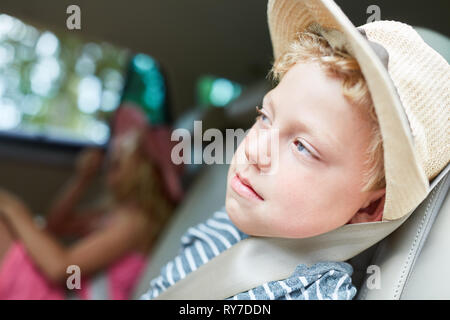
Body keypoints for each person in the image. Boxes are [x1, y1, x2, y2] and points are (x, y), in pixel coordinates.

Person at [141, 0, 449, 300]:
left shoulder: (310, 292)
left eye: (302, 147)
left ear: (368, 209)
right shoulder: (230, 220)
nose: (256, 150)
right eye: (265, 117)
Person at [0, 105, 181, 300]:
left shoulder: (135, 223)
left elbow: (61, 268)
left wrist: (13, 208)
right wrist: (82, 179)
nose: (117, 144)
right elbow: (55, 225)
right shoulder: (115, 214)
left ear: (147, 171)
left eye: (130, 145)